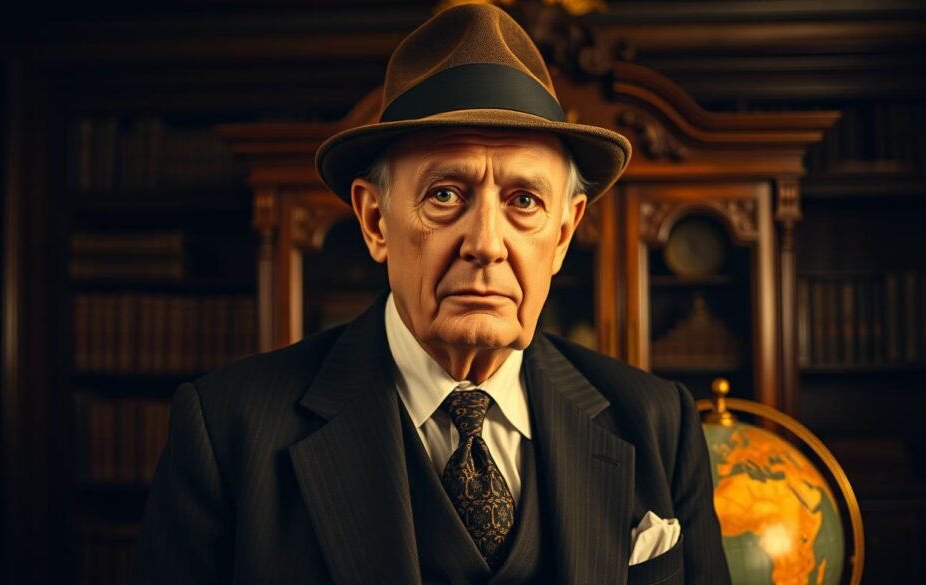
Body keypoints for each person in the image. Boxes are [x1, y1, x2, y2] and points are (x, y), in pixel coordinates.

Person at [133, 4, 731, 584]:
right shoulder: (228, 431)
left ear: (564, 234)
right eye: (446, 194)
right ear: (374, 221)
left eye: (524, 201)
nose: (486, 244)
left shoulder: (659, 424)